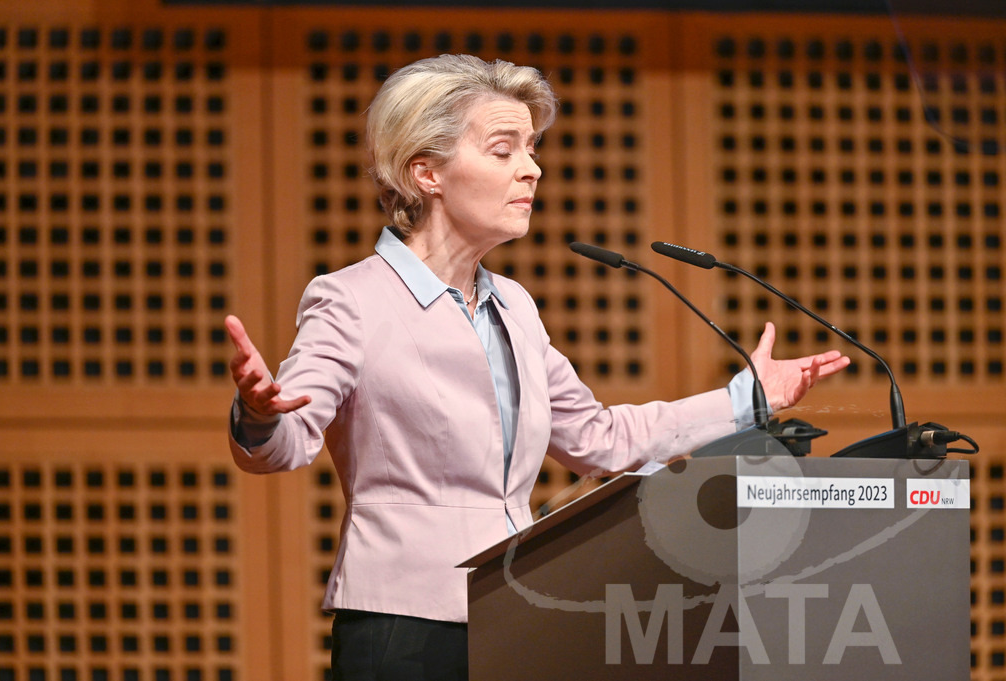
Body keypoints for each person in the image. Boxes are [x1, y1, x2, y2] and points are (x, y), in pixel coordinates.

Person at [225, 54, 850, 681]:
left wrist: (750, 399)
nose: (533, 168)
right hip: (407, 629)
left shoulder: (515, 307)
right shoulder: (352, 298)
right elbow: (287, 440)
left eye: (532, 148)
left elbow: (600, 441)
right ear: (426, 173)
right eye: (504, 150)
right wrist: (258, 414)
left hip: (517, 611)